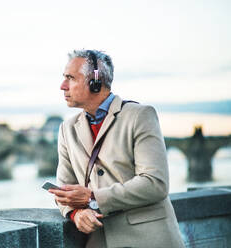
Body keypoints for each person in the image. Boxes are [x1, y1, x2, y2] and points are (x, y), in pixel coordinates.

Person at [49, 49, 185, 248]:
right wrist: (76, 213)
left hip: (149, 239)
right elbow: (63, 191)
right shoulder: (66, 129)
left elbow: (155, 183)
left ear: (95, 81)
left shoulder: (140, 116)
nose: (62, 86)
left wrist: (93, 197)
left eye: (70, 78)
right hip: (99, 240)